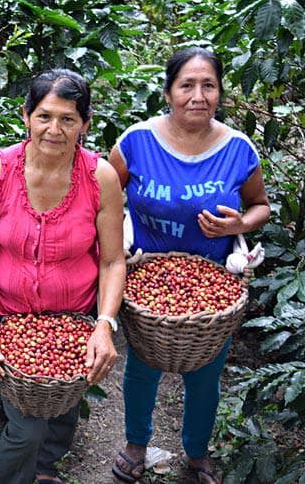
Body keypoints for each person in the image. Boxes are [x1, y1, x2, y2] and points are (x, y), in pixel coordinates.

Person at [109, 47, 271, 484]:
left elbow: (260, 207)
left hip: (210, 283)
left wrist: (240, 223)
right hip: (145, 276)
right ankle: (135, 443)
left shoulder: (239, 149)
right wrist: (114, 248)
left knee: (205, 373)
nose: (197, 96)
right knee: (142, 367)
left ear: (220, 93)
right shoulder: (136, 141)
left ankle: (196, 451)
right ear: (168, 92)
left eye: (208, 85)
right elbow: (103, 200)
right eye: (186, 85)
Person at [0, 69, 125, 484]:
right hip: (11, 319)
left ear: (84, 124)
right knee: (27, 425)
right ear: (26, 116)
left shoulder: (99, 177)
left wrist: (104, 325)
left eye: (68, 119)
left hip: (75, 319)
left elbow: (111, 261)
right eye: (44, 116)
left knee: (66, 402)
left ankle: (47, 466)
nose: (54, 129)